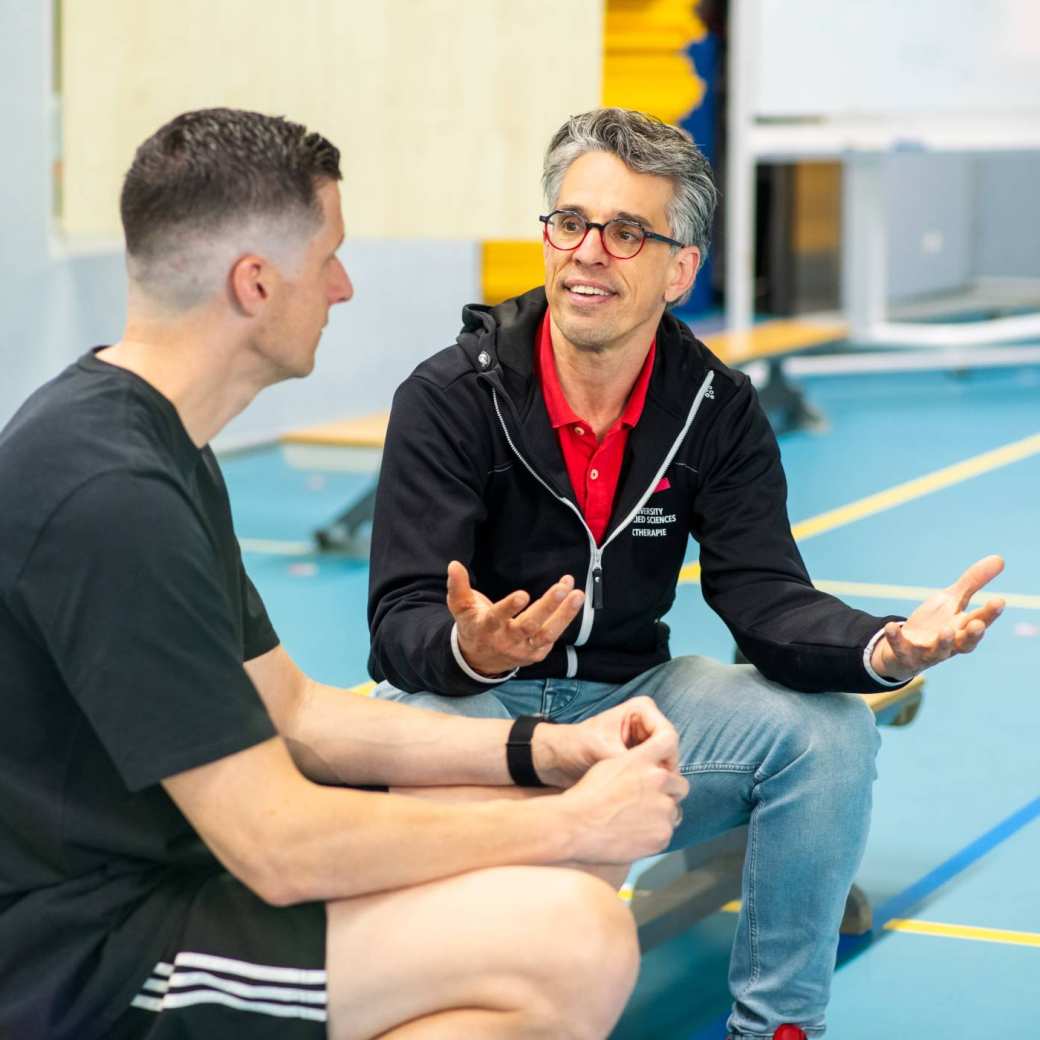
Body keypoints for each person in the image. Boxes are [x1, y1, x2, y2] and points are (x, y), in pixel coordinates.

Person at [0, 107, 693, 1040]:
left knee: (549, 849)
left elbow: (295, 714)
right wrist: (571, 824)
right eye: (327, 256)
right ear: (254, 284)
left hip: (180, 864)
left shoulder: (158, 443)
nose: (343, 286)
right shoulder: (108, 493)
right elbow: (278, 845)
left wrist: (551, 753)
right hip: (84, 950)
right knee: (577, 937)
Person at [367, 107, 1006, 1040]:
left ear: (679, 269)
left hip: (634, 708)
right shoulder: (451, 396)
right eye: (572, 222)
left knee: (827, 736)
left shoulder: (715, 406)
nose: (590, 252)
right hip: (471, 719)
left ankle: (778, 1026)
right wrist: (472, 648)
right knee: (431, 790)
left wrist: (885, 644)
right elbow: (397, 621)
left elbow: (764, 598)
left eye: (627, 232)